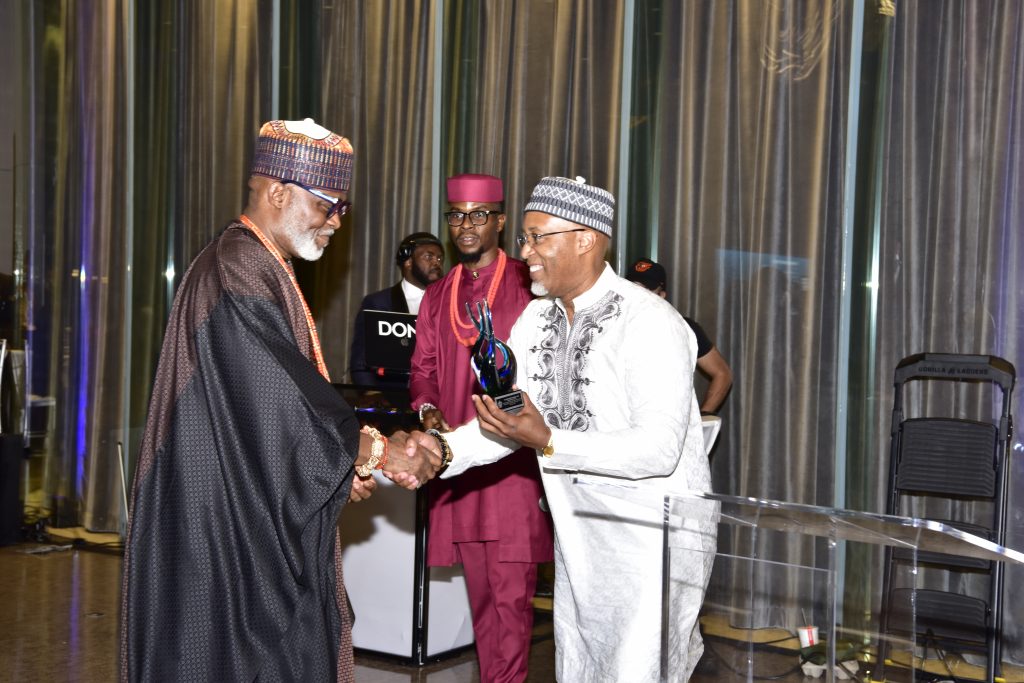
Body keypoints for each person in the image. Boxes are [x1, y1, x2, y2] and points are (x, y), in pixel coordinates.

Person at [120, 119, 440, 683]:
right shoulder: (236, 266)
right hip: (217, 528)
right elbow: (276, 394)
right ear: (277, 193)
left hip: (234, 509)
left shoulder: (261, 262)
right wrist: (372, 452)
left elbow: (264, 410)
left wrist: (340, 469)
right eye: (328, 206)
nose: (338, 221)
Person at [416, 176, 716, 681]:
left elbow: (659, 450)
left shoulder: (651, 322)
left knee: (637, 671)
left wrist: (550, 440)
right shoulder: (536, 321)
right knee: (579, 667)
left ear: (586, 239)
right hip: (579, 541)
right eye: (525, 239)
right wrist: (439, 454)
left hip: (653, 546)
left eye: (539, 238)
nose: (525, 252)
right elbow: (511, 421)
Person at [409, 173, 553, 683]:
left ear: (499, 220)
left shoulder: (528, 283)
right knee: (482, 598)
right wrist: (428, 410)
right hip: (461, 465)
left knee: (512, 600)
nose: (465, 226)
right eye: (455, 214)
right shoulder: (438, 294)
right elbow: (423, 369)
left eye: (477, 215)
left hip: (513, 466)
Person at [626, 257, 733, 414]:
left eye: (646, 290)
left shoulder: (682, 327)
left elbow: (722, 374)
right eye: (633, 288)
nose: (638, 296)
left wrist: (703, 419)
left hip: (665, 426)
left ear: (661, 295)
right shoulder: (608, 324)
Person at [349, 232, 445, 387]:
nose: (437, 263)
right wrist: (372, 395)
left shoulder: (449, 303)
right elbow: (361, 362)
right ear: (408, 261)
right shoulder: (379, 303)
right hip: (395, 399)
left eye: (440, 258)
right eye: (429, 257)